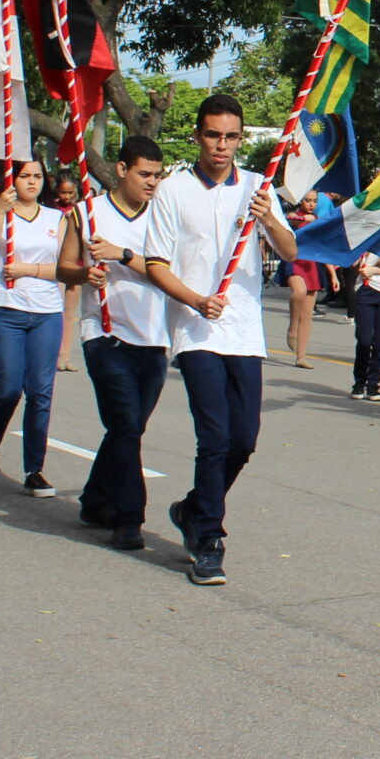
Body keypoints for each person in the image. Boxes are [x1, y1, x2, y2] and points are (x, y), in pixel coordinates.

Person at [141, 96, 300, 584]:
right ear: (198, 136)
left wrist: (268, 218)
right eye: (213, 135)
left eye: (231, 136)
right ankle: (209, 537)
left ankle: (193, 508)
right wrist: (194, 299)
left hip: (245, 331)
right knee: (214, 437)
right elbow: (154, 264)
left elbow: (291, 249)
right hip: (195, 331)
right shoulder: (173, 191)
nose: (222, 146)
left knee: (243, 440)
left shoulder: (259, 186)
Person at [60, 136, 168, 551]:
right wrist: (84, 274)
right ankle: (130, 517)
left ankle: (93, 500)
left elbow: (164, 270)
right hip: (104, 334)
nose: (152, 182)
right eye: (144, 173)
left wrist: (122, 254)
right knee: (124, 423)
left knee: (131, 428)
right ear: (122, 170)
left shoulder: (162, 215)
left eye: (157, 175)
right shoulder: (87, 213)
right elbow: (64, 268)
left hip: (154, 337)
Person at [0, 159, 67, 496]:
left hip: (45, 312)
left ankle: (35, 468)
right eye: (24, 175)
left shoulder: (56, 218)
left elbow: (64, 266)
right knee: (8, 389)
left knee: (40, 392)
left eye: (37, 176)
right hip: (5, 310)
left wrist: (30, 269)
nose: (31, 182)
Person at [347, 247, 380, 402]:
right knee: (364, 340)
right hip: (365, 291)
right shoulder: (369, 241)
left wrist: (376, 271)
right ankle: (359, 382)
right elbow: (353, 263)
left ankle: (374, 384)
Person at [281, 192, 322, 365]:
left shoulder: (318, 218)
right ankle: (292, 327)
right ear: (299, 201)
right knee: (299, 292)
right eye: (307, 200)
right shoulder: (293, 217)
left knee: (307, 315)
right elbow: (292, 219)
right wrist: (303, 218)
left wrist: (333, 273)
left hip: (311, 264)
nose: (311, 204)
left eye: (314, 201)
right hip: (294, 261)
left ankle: (301, 356)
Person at [51, 169, 84, 374]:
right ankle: (55, 352)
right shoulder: (52, 211)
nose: (67, 197)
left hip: (77, 263)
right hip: (58, 264)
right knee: (57, 309)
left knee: (70, 313)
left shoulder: (80, 210)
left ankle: (65, 356)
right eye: (63, 192)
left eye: (70, 193)